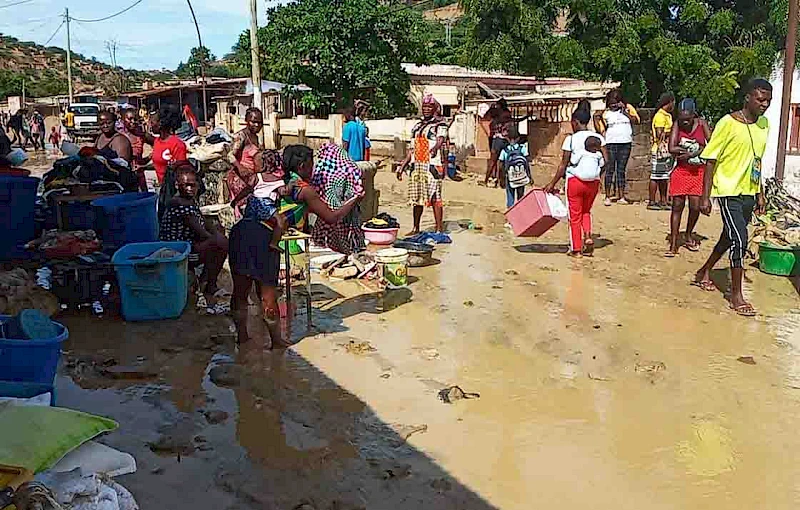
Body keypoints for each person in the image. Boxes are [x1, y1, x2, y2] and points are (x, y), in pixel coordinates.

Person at [229, 144, 362, 348]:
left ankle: (242, 338)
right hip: (261, 239)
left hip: (240, 233)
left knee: (240, 290)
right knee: (268, 295)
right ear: (302, 165)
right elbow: (332, 217)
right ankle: (276, 342)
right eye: (311, 165)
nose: (314, 169)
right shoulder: (301, 189)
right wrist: (355, 199)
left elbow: (244, 191)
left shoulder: (263, 179)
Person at [693, 78, 771, 317]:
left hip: (748, 191)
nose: (765, 104)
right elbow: (711, 159)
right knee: (740, 238)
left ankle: (703, 271)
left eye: (768, 100)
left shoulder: (764, 124)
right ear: (747, 97)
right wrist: (705, 197)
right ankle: (736, 296)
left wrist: (760, 192)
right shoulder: (727, 123)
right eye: (760, 99)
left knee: (729, 237)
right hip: (727, 190)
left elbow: (757, 159)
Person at [545, 102, 609, 257]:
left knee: (574, 215)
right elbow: (607, 161)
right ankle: (587, 236)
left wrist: (552, 184)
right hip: (593, 182)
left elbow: (563, 165)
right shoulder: (599, 138)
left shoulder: (571, 140)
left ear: (575, 122)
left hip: (575, 181)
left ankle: (576, 249)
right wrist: (598, 175)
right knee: (586, 211)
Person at [159, 163, 228, 297]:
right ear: (178, 186)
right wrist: (218, 240)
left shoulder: (190, 201)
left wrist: (217, 234)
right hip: (177, 248)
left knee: (219, 235)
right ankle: (209, 283)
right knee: (220, 244)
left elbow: (205, 223)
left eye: (193, 185)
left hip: (188, 243)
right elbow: (201, 231)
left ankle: (206, 280)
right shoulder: (178, 203)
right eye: (186, 185)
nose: (190, 188)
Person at [665, 98, 712, 257]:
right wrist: (684, 152)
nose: (684, 122)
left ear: (693, 116)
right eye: (682, 119)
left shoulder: (702, 124)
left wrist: (693, 152)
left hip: (698, 171)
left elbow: (711, 145)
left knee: (695, 206)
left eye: (687, 119)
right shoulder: (676, 124)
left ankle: (688, 233)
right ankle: (673, 243)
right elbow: (671, 147)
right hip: (682, 170)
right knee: (677, 205)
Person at [396, 94, 449, 234]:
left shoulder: (440, 125)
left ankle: (438, 229)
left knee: (435, 196)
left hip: (431, 165)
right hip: (417, 166)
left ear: (434, 109)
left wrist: (435, 148)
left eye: (429, 107)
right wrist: (402, 166)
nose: (426, 109)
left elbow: (441, 140)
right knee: (417, 197)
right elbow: (411, 149)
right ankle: (416, 228)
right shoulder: (417, 126)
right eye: (424, 106)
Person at [230, 149, 291, 252]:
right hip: (266, 205)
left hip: (253, 203)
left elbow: (247, 190)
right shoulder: (279, 181)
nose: (254, 167)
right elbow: (284, 192)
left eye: (255, 165)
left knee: (247, 221)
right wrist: (291, 184)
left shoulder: (257, 177)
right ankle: (274, 242)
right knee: (281, 220)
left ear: (262, 166)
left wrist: (236, 200)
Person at [596, 89, 640, 205]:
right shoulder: (606, 113)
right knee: (610, 169)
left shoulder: (628, 108)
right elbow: (600, 127)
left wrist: (625, 111)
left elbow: (636, 121)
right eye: (611, 102)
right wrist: (598, 120)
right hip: (611, 143)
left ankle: (621, 196)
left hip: (625, 143)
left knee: (621, 170)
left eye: (616, 101)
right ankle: (608, 196)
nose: (613, 104)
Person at [227, 107, 264, 217]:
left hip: (250, 180)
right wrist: (240, 167)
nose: (257, 125)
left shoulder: (256, 138)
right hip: (240, 179)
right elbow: (230, 155)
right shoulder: (242, 136)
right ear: (246, 121)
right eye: (253, 122)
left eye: (259, 122)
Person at [648, 93, 676, 210]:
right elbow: (660, 134)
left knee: (663, 176)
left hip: (665, 150)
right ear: (669, 102)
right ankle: (652, 201)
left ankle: (663, 200)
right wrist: (674, 132)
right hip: (659, 150)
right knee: (655, 176)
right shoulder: (660, 116)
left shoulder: (667, 115)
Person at [152, 104, 188, 184]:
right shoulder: (157, 141)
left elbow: (182, 171)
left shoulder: (178, 144)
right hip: (162, 188)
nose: (150, 125)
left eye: (152, 122)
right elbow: (159, 163)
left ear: (160, 124)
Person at [498, 124, 531, 208]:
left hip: (510, 177)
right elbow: (526, 163)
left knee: (510, 196)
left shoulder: (505, 151)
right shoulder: (522, 148)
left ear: (508, 139)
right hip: (521, 176)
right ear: (518, 138)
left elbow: (501, 165)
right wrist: (529, 176)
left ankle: (511, 216)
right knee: (520, 196)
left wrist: (501, 178)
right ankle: (520, 214)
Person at [121, 108, 151, 191]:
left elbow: (158, 143)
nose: (133, 122)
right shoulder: (118, 137)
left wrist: (147, 159)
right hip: (123, 176)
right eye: (130, 119)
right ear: (123, 120)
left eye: (135, 119)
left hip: (139, 176)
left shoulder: (141, 135)